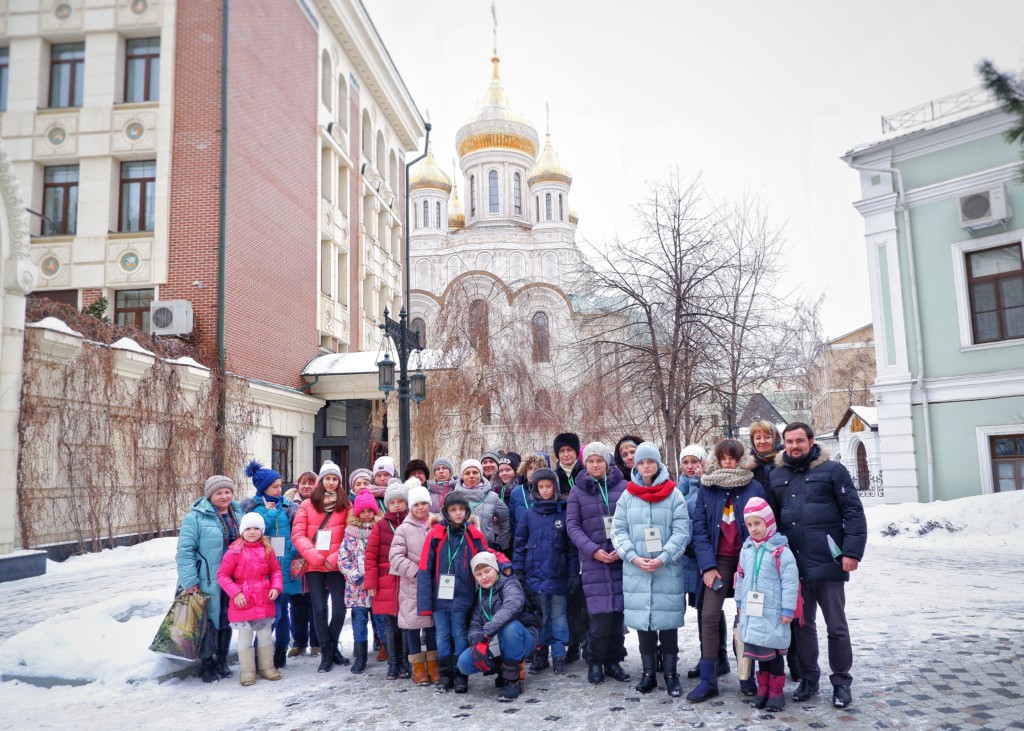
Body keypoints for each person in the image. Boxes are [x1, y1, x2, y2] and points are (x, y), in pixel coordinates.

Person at [767, 422, 867, 709]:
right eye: (789, 441)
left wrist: (852, 552)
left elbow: (853, 511)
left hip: (828, 562)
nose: (794, 446)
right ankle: (809, 679)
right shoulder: (777, 475)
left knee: (836, 625)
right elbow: (772, 519)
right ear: (784, 444)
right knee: (803, 625)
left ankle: (841, 682)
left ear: (811, 441)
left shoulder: (833, 471)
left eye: (800, 440)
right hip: (794, 565)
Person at [687, 439, 766, 703]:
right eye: (723, 457)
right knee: (709, 616)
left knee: (747, 619)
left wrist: (757, 562)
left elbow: (764, 524)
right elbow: (698, 530)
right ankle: (709, 680)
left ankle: (747, 677)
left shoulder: (753, 486)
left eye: (733, 457)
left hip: (747, 560)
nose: (728, 461)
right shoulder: (707, 488)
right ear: (717, 459)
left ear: (740, 459)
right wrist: (707, 567)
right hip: (717, 561)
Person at [611, 442, 690, 697]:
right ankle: (648, 674)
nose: (645, 467)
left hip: (667, 569)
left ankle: (670, 674)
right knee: (643, 623)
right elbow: (618, 531)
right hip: (637, 570)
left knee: (667, 623)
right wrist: (633, 557)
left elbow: (681, 531)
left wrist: (664, 557)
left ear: (658, 464)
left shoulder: (674, 494)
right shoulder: (628, 495)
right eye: (641, 462)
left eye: (650, 462)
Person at [566, 441, 631, 685]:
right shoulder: (577, 491)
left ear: (607, 463)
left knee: (617, 616)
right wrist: (593, 551)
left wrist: (619, 548)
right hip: (594, 562)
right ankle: (595, 662)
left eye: (599, 460)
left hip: (620, 558)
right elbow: (572, 526)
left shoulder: (623, 487)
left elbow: (629, 521)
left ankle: (614, 661)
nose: (595, 464)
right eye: (591, 461)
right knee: (599, 617)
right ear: (586, 464)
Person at [417, 491, 492, 694]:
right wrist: (424, 604)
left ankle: (460, 675)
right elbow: (424, 569)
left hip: (462, 594)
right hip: (439, 596)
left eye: (461, 509)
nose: (458, 513)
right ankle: (445, 675)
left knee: (459, 633)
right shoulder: (435, 534)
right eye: (453, 509)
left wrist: (503, 564)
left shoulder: (473, 534)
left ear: (467, 511)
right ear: (446, 512)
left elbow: (488, 557)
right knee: (442, 635)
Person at [735, 498, 799, 712]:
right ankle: (763, 689)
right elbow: (741, 577)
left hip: (773, 612)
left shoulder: (780, 551)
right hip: (752, 612)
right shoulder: (746, 549)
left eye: (758, 523)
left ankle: (776, 692)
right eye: (750, 524)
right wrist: (739, 603)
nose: (754, 529)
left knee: (773, 654)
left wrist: (787, 609)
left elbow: (790, 582)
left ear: (769, 523)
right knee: (759, 654)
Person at [175, 475, 241, 682]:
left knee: (226, 619)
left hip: (231, 579)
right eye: (219, 492)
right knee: (206, 621)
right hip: (206, 579)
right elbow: (185, 551)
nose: (224, 496)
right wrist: (190, 581)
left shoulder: (238, 514)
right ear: (210, 495)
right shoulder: (195, 517)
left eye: (227, 491)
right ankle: (207, 663)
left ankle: (221, 659)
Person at [513, 467, 577, 676]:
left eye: (548, 486)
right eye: (540, 487)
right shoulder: (529, 514)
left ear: (555, 488)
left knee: (558, 616)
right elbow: (519, 544)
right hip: (535, 575)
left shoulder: (564, 512)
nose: (544, 490)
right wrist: (519, 571)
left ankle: (559, 654)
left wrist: (573, 573)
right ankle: (540, 654)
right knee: (540, 616)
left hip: (558, 575)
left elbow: (572, 548)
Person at [291, 460, 351, 672]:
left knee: (339, 609)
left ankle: (332, 647)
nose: (331, 483)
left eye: (335, 479)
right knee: (318, 608)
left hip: (336, 564)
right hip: (314, 565)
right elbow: (297, 534)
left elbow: (350, 534)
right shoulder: (307, 505)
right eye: (328, 478)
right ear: (321, 481)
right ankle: (326, 653)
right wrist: (315, 557)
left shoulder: (346, 505)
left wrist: (334, 558)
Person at [457, 552, 540, 702]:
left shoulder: (510, 584)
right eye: (479, 574)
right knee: (463, 663)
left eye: (487, 571)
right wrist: (477, 642)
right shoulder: (479, 594)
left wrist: (486, 634)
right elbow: (475, 623)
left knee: (510, 627)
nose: (484, 577)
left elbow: (511, 607)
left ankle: (514, 682)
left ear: (495, 568)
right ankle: (503, 670)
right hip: (493, 640)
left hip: (522, 638)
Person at [678, 445, 729, 681]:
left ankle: (719, 657)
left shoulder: (709, 485)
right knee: (702, 608)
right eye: (686, 462)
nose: (690, 467)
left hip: (705, 556)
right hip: (689, 559)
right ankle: (708, 655)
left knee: (710, 609)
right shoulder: (680, 487)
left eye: (694, 462)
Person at [241, 460, 298, 669]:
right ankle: (260, 650)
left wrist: (293, 553)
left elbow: (296, 532)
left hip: (285, 564)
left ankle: (281, 648)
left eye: (280, 485)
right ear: (263, 488)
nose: (279, 489)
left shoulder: (289, 507)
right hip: (264, 568)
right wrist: (270, 513)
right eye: (275, 486)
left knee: (283, 610)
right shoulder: (252, 508)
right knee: (270, 612)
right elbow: (251, 534)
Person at [216, 512, 284, 686]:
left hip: (263, 599)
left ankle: (267, 667)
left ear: (261, 530)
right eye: (248, 528)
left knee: (265, 635)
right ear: (241, 531)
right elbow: (223, 575)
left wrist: (276, 586)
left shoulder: (267, 549)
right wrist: (236, 593)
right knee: (245, 637)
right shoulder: (234, 552)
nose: (252, 532)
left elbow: (275, 570)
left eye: (256, 528)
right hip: (243, 601)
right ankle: (247, 671)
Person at [389, 479, 439, 686]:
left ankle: (433, 664)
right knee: (412, 625)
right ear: (411, 507)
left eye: (424, 504)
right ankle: (418, 667)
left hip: (435, 585)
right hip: (413, 585)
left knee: (432, 626)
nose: (420, 508)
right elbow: (396, 557)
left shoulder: (437, 524)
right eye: (416, 504)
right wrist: (417, 572)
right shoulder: (403, 529)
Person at [366, 479, 410, 679]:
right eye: (393, 502)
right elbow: (371, 556)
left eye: (401, 501)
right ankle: (393, 663)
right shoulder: (380, 525)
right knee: (390, 624)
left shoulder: (412, 523)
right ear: (387, 504)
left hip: (408, 580)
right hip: (386, 581)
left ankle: (407, 661)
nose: (397, 505)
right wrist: (371, 583)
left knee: (408, 624)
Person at [338, 490, 381, 674]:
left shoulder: (380, 530)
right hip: (357, 588)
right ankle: (361, 656)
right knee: (359, 621)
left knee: (380, 620)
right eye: (362, 511)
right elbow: (343, 559)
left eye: (369, 511)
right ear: (357, 513)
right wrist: (358, 577)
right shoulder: (350, 534)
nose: (366, 514)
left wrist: (376, 578)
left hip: (378, 586)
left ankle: (388, 651)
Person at [284, 471, 320, 658]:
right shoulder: (287, 505)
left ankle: (317, 641)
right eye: (303, 483)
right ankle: (298, 642)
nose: (307, 486)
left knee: (317, 601)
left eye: (311, 483)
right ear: (297, 485)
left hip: (316, 558)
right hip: (295, 558)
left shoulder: (322, 504)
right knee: (296, 602)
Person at [455, 458, 510, 552]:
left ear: (480, 475)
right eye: (467, 473)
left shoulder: (492, 497)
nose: (471, 476)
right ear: (462, 476)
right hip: (460, 550)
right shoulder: (454, 497)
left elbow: (506, 520)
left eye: (475, 472)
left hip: (486, 550)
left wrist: (500, 545)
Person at [509, 452, 548, 542]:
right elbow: (512, 521)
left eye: (536, 469)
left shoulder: (547, 492)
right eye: (530, 468)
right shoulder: (516, 492)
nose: (532, 472)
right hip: (521, 542)